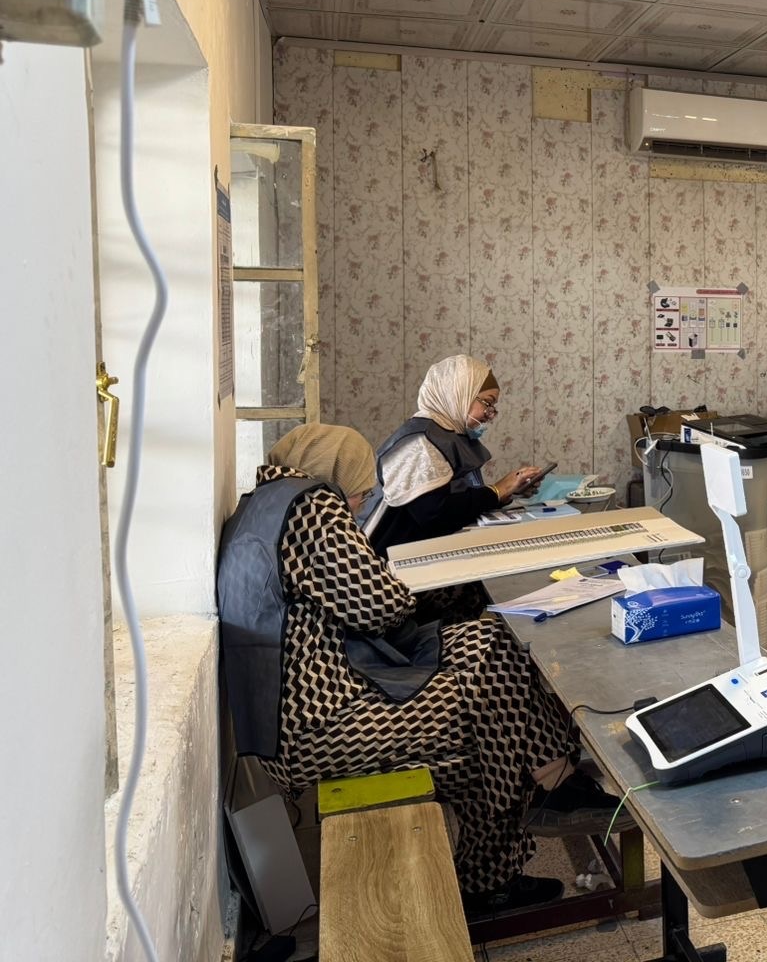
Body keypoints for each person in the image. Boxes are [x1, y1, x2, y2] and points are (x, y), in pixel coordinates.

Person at [219, 424, 622, 914]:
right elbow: (382, 606)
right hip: (325, 723)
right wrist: (388, 580)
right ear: (336, 473)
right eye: (360, 489)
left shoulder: (263, 504)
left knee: (490, 639)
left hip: (292, 719)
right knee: (497, 727)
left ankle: (552, 779)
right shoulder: (313, 506)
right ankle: (497, 866)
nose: (362, 501)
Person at [363, 355, 546, 618]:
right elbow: (436, 514)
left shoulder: (443, 434)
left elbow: (457, 498)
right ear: (459, 392)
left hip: (417, 558)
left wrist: (506, 492)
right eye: (487, 403)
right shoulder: (420, 442)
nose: (490, 415)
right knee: (484, 588)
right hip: (391, 577)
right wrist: (496, 491)